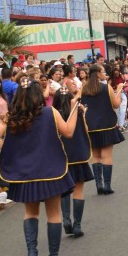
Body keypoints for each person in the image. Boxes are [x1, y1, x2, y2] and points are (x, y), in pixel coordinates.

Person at [0, 80, 81, 256]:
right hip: (50, 171)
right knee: (54, 214)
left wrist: (12, 155)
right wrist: (74, 109)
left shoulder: (12, 116)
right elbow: (69, 132)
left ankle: (32, 252)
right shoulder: (50, 112)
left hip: (25, 173)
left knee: (31, 213)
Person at [53, 88, 93, 237]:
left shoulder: (54, 116)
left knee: (64, 190)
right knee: (78, 190)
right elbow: (86, 130)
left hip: (61, 157)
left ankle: (66, 220)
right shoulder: (79, 112)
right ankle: (77, 225)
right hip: (79, 155)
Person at [81, 64, 125, 195]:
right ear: (99, 74)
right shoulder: (106, 88)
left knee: (95, 156)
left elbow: (78, 102)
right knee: (107, 156)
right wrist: (119, 90)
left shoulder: (84, 89)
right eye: (103, 72)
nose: (104, 74)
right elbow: (116, 105)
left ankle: (98, 185)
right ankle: (107, 185)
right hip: (107, 124)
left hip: (90, 126)